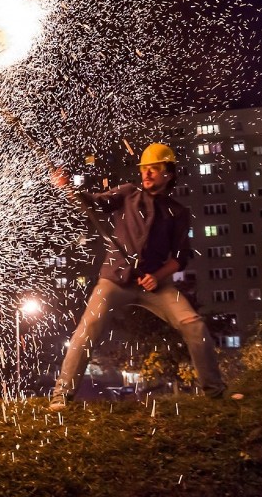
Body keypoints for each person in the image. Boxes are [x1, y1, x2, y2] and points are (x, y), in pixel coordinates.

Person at [49, 143, 226, 411]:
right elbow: (94, 203)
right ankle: (62, 395)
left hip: (155, 285)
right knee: (87, 329)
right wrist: (69, 188)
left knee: (194, 325)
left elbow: (181, 256)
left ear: (168, 173)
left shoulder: (177, 212)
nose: (148, 173)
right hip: (115, 281)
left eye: (154, 169)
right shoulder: (127, 194)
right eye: (145, 168)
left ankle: (216, 392)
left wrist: (157, 277)